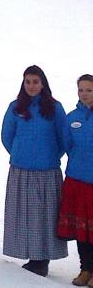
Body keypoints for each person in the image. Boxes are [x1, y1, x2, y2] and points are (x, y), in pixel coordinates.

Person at [1, 65, 67, 276]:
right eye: (27, 82)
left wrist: (49, 156)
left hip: (47, 171)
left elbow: (64, 138)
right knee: (24, 216)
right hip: (21, 170)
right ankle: (30, 256)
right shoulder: (15, 107)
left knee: (45, 217)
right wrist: (20, 153)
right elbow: (6, 135)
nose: (31, 86)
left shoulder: (55, 108)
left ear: (43, 84)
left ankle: (42, 259)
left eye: (35, 82)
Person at [57, 74, 93, 286]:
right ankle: (85, 269)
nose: (85, 94)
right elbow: (67, 145)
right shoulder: (71, 118)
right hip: (76, 181)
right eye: (81, 90)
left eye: (89, 90)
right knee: (82, 230)